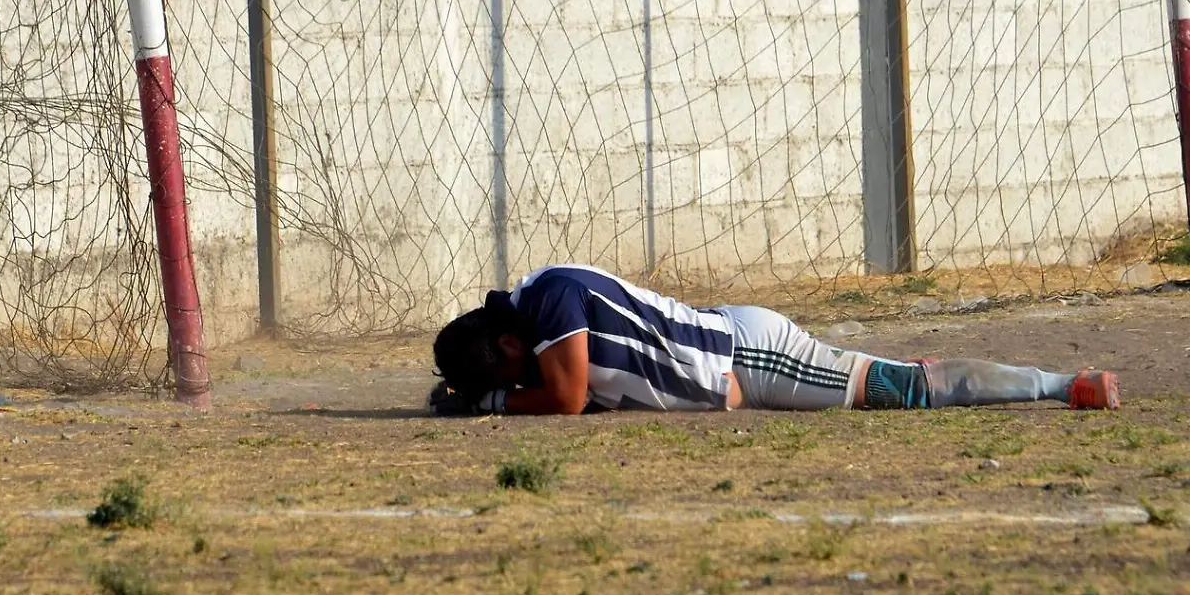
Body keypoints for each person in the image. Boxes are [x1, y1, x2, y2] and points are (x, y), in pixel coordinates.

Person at [428, 263, 1118, 415]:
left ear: (511, 348)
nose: (517, 391)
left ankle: (1061, 384)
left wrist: (487, 409)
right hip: (732, 354)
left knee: (896, 390)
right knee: (884, 380)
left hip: (748, 355)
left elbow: (569, 397)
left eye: (507, 379)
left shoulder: (549, 300)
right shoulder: (538, 310)